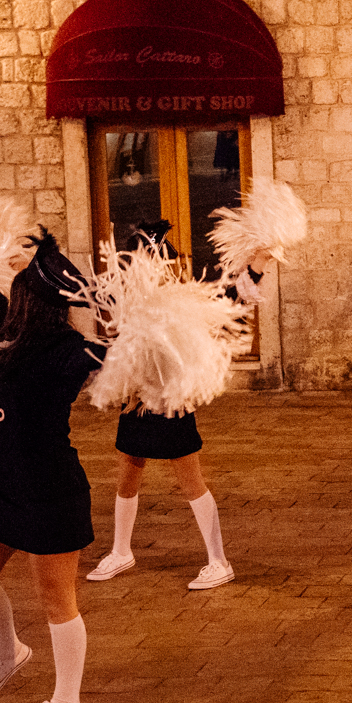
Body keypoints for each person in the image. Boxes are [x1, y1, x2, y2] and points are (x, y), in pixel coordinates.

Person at [0, 233, 106, 703]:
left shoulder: (67, 352)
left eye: (17, 289)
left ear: (30, 302)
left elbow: (113, 351)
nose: (8, 296)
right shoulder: (14, 332)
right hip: (6, 488)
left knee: (57, 600)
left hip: (51, 491)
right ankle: (9, 652)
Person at [81, 223, 270, 592]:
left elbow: (231, 299)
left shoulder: (183, 303)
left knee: (190, 480)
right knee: (127, 475)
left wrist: (258, 261)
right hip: (136, 403)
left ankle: (219, 561)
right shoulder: (133, 304)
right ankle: (121, 551)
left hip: (171, 405)